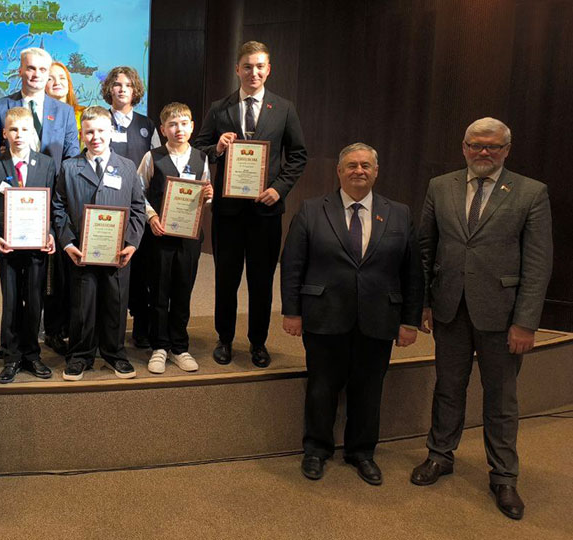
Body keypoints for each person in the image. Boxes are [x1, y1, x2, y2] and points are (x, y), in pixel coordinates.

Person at [411, 118, 553, 520]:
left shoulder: (531, 192)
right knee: (447, 388)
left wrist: (526, 322)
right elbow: (426, 248)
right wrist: (424, 303)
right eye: (476, 145)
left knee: (501, 399)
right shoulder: (440, 186)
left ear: (506, 150)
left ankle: (504, 476)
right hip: (450, 309)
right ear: (464, 147)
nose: (483, 152)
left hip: (503, 316)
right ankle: (440, 455)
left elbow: (538, 263)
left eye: (492, 146)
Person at [281, 143, 423, 485]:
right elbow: (292, 264)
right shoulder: (312, 209)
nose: (359, 171)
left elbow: (412, 272)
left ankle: (361, 452)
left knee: (369, 389)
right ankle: (316, 449)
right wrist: (292, 312)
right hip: (324, 315)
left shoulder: (399, 213)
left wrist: (409, 320)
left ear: (376, 172)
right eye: (351, 165)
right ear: (339, 171)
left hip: (379, 317)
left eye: (365, 165)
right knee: (321, 387)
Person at [194, 40, 308, 368]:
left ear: (268, 69)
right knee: (226, 280)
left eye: (259, 66)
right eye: (247, 66)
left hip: (266, 211)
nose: (253, 72)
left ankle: (258, 342)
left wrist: (279, 189)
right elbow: (199, 148)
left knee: (261, 281)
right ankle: (225, 339)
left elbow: (298, 155)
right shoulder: (220, 108)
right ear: (237, 70)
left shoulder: (284, 108)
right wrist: (217, 147)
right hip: (228, 213)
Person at [0, 47, 80, 356]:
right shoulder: (3, 106)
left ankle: (49, 333)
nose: (36, 74)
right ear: (20, 70)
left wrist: (57, 208)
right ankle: (10, 345)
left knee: (46, 280)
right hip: (10, 211)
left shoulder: (63, 111)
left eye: (42, 69)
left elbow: (70, 157)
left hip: (48, 206)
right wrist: (11, 196)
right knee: (12, 287)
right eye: (30, 68)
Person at [52, 106, 146, 381]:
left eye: (101, 131)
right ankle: (80, 355)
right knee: (82, 304)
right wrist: (67, 243)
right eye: (89, 132)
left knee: (115, 302)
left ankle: (115, 353)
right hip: (81, 251)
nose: (95, 137)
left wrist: (132, 243)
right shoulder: (69, 167)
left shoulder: (127, 167)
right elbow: (58, 208)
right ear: (81, 134)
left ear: (111, 132)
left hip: (118, 252)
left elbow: (138, 208)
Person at [0, 107, 57, 383]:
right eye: (13, 129)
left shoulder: (46, 164)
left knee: (34, 301)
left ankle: (32, 354)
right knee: (11, 302)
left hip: (36, 248)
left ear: (32, 132)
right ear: (4, 133)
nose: (19, 135)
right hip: (7, 248)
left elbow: (52, 206)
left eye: (24, 129)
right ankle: (11, 357)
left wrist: (50, 234)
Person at [136, 102, 213, 373]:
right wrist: (151, 217)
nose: (178, 129)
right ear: (162, 129)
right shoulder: (152, 157)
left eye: (183, 124)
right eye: (172, 125)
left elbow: (204, 192)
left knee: (183, 290)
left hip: (189, 238)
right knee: (159, 291)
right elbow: (138, 193)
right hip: (160, 236)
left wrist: (208, 195)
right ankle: (159, 346)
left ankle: (179, 346)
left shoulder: (201, 158)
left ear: (192, 127)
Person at [100, 66, 162, 350]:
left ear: (136, 89)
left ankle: (141, 328)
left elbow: (158, 163)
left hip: (138, 208)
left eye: (127, 84)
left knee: (141, 271)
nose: (122, 89)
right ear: (109, 89)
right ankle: (106, 330)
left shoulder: (147, 125)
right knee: (108, 270)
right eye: (117, 84)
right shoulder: (100, 120)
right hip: (106, 206)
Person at [46, 60, 85, 134]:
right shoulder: (38, 117)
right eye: (49, 79)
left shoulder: (84, 114)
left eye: (62, 78)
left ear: (68, 83)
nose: (57, 83)